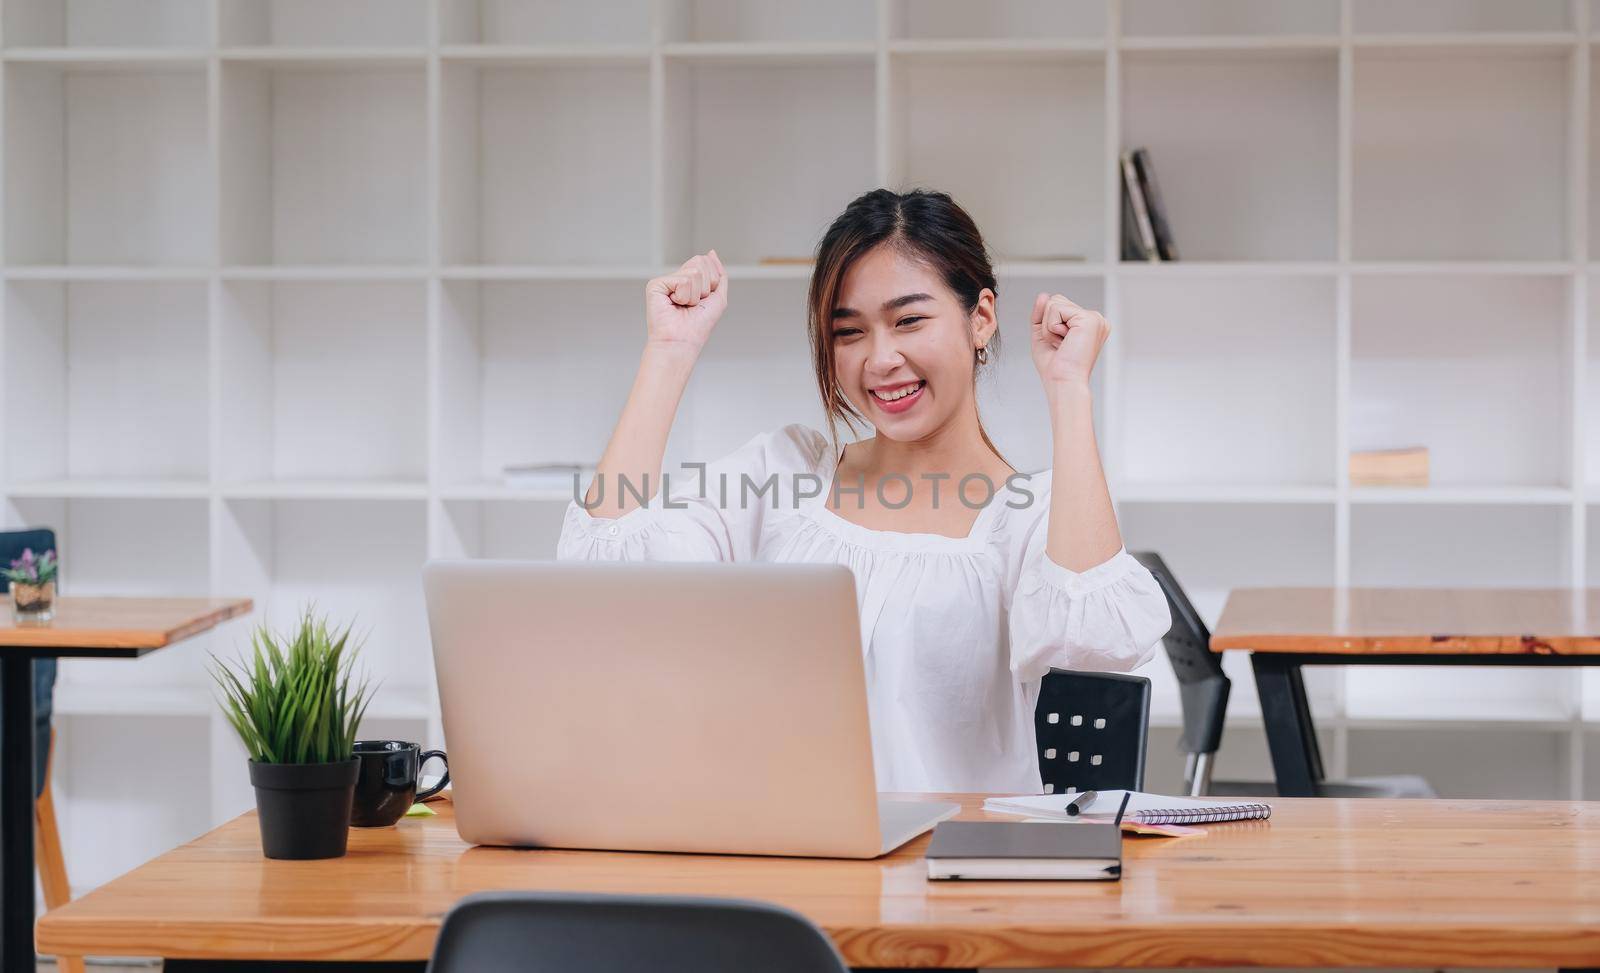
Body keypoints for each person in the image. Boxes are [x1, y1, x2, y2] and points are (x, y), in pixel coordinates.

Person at [556, 188, 1170, 794]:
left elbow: (1097, 655)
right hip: (780, 860)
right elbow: (604, 573)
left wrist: (1069, 390)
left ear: (981, 318)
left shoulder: (1034, 516)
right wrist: (670, 348)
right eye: (848, 332)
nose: (879, 360)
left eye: (908, 320)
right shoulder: (784, 476)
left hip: (948, 873)